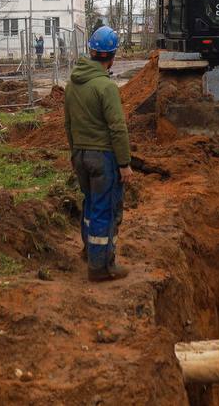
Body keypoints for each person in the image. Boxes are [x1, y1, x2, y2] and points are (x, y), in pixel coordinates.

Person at [64, 25, 132, 281]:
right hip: (103, 158)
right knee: (105, 208)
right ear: (112, 56)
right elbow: (117, 128)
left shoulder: (72, 85)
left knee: (91, 204)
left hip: (80, 155)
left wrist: (74, 153)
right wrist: (124, 163)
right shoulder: (106, 87)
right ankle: (101, 267)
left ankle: (89, 250)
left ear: (91, 51)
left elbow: (68, 124)